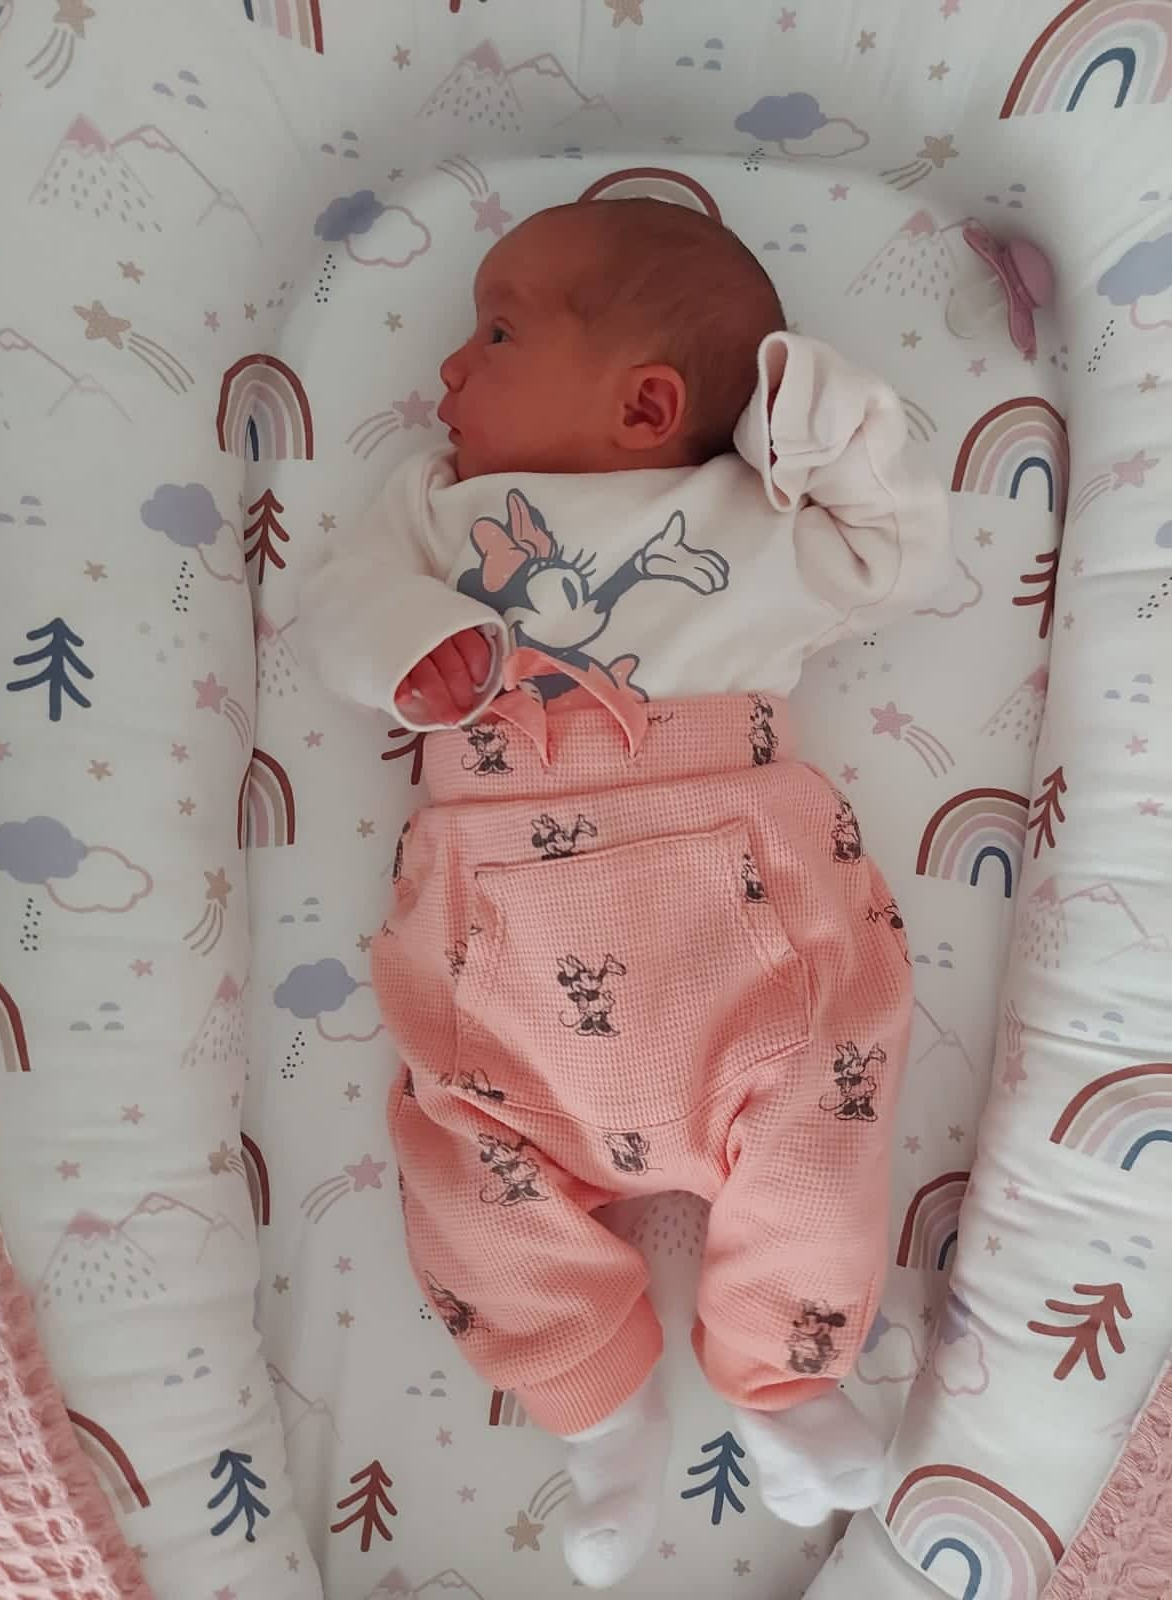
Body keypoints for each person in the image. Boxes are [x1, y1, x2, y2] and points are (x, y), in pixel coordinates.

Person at [300, 198, 952, 1589]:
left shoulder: (755, 519)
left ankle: (783, 1379)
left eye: (495, 333)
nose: (447, 370)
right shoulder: (435, 508)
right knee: (465, 1157)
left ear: (648, 403)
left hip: (743, 920)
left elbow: (900, 549)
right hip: (506, 961)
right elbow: (340, 610)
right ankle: (597, 1414)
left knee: (824, 1110)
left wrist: (822, 418)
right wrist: (413, 645)